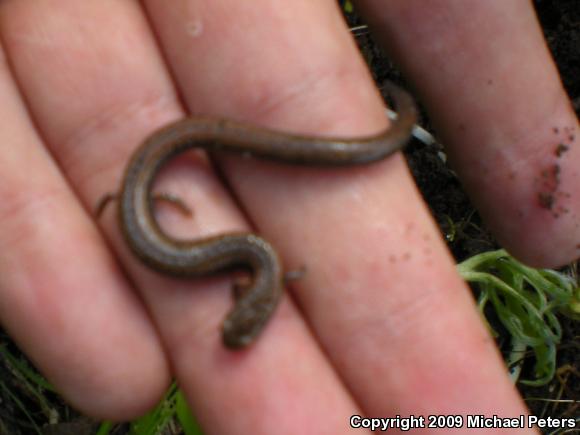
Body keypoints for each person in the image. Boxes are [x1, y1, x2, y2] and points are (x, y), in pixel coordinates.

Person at [0, 1, 574, 433]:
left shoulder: (256, 268)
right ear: (255, 303)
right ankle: (391, 124)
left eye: (235, 324)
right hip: (163, 192)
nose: (235, 327)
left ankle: (391, 127)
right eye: (241, 326)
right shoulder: (256, 268)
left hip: (162, 191)